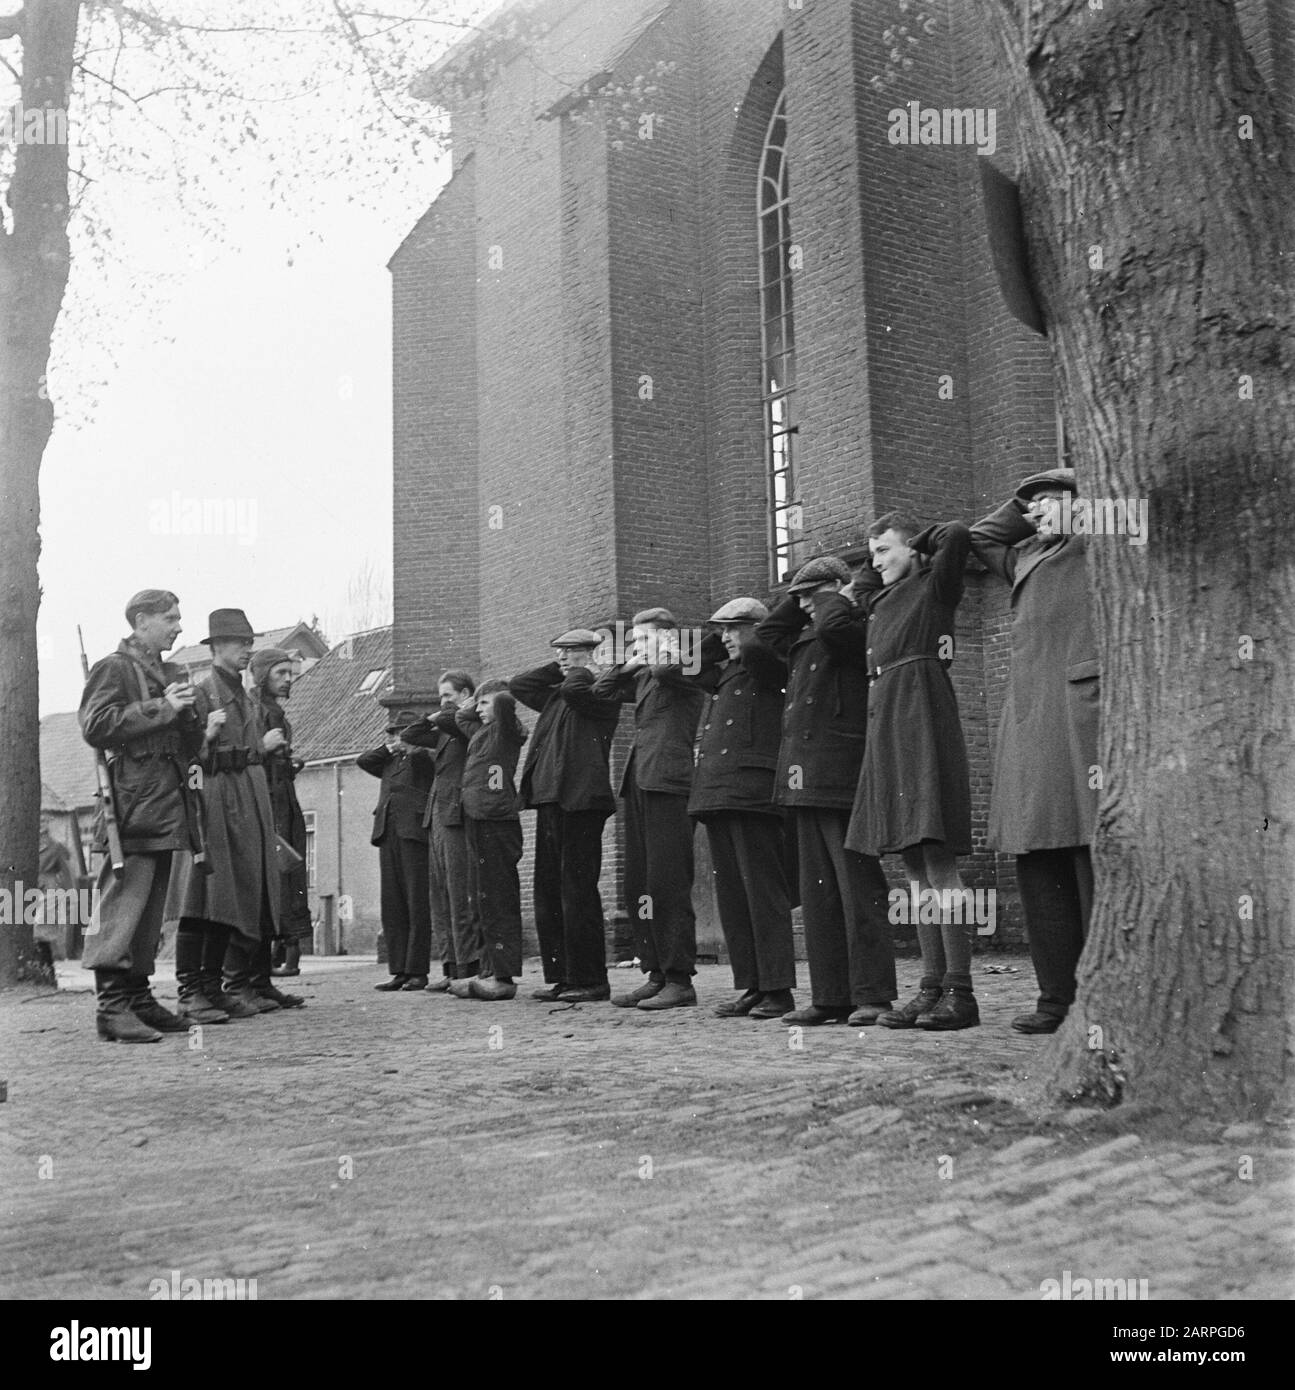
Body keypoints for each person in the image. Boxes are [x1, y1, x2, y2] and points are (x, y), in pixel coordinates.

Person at [970, 467, 1098, 1033]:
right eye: (1033, 507)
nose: (1039, 514)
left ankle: (1099, 998)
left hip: (1082, 716)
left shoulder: (1101, 545)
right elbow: (979, 536)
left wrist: (1078, 497)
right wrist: (1028, 506)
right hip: (1028, 722)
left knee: (1088, 853)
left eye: (1049, 503)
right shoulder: (1023, 556)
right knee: (1036, 855)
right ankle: (1055, 1000)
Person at [844, 514, 979, 1031]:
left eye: (883, 551)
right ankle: (930, 986)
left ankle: (960, 992)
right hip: (887, 721)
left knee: (936, 857)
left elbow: (957, 535)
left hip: (921, 713)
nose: (874, 563)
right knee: (914, 866)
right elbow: (856, 589)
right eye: (871, 554)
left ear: (912, 552)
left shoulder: (934, 586)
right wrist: (883, 554)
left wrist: (916, 547)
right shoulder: (877, 599)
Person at [751, 558, 897, 1026]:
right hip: (803, 775)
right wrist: (799, 602)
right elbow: (761, 642)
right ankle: (831, 996)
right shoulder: (804, 632)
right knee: (819, 895)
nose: (803, 605)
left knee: (857, 889)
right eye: (798, 598)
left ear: (839, 589)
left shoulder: (858, 621)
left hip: (841, 772)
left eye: (811, 595)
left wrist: (837, 596)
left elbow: (836, 630)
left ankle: (873, 994)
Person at [79, 590, 205, 1041]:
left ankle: (137, 997)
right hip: (129, 808)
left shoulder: (168, 672)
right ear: (141, 621)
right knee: (122, 907)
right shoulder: (114, 668)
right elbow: (96, 725)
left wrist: (189, 715)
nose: (178, 626)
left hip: (166, 805)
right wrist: (162, 707)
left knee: (148, 912)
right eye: (170, 618)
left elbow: (191, 747)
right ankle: (111, 1008)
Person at [168, 609, 300, 1020]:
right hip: (217, 799)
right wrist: (206, 740)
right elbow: (188, 757)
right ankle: (193, 991)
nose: (247, 651)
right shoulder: (202, 692)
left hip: (248, 798)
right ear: (216, 647)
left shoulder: (245, 696)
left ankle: (220, 987)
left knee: (241, 893)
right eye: (240, 643)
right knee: (207, 896)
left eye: (249, 644)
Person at [689, 598, 798, 1020]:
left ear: (759, 629)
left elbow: (755, 649)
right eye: (723, 630)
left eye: (735, 628)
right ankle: (752, 984)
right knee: (734, 898)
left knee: (762, 894)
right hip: (718, 792)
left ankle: (778, 989)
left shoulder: (772, 661)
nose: (726, 637)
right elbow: (691, 663)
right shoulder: (726, 670)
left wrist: (755, 633)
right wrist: (723, 639)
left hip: (753, 791)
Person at [592, 609, 705, 1011]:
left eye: (641, 640)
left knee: (668, 882)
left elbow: (672, 671)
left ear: (668, 639)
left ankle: (679, 979)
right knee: (640, 882)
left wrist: (660, 652)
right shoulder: (644, 674)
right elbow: (602, 691)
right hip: (639, 780)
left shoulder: (684, 665)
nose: (634, 648)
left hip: (669, 782)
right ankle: (655, 972)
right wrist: (634, 660)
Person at [509, 629, 622, 1003]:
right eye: (558, 652)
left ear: (590, 655)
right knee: (549, 891)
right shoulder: (556, 695)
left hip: (581, 801)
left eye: (569, 651)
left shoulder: (599, 691)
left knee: (577, 892)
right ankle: (563, 976)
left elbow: (577, 690)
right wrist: (562, 662)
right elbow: (520, 684)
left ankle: (590, 979)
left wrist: (585, 668)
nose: (561, 658)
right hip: (551, 800)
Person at [403, 671, 481, 995]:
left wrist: (449, 712)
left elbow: (457, 722)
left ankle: (467, 967)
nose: (442, 703)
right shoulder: (443, 729)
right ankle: (449, 967)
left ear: (465, 695)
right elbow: (410, 733)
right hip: (436, 816)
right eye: (440, 696)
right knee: (439, 897)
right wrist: (432, 715)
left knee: (458, 892)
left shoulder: (467, 723)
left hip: (455, 816)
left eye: (448, 695)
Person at [453, 680, 527, 1000]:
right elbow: (460, 718)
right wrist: (476, 701)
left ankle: (504, 978)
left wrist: (493, 697)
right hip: (477, 819)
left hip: (497, 820)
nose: (479, 710)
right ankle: (488, 969)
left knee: (498, 900)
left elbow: (508, 700)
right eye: (478, 705)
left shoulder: (507, 730)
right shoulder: (482, 732)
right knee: (481, 897)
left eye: (485, 704)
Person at [357, 709, 435, 991]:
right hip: (387, 834)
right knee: (393, 907)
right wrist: (389, 747)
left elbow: (423, 762)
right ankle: (399, 969)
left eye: (399, 732)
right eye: (391, 733)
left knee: (416, 904)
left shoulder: (422, 757)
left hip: (413, 834)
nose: (394, 738)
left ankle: (417, 971)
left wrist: (413, 744)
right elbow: (363, 760)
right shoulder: (388, 760)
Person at [249, 648, 312, 979]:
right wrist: (264, 747)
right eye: (280, 674)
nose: (289, 679)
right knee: (276, 872)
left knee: (289, 871)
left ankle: (288, 951)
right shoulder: (256, 711)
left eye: (291, 673)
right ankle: (280, 951)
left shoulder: (277, 713)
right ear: (262, 676)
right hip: (268, 802)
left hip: (285, 800)